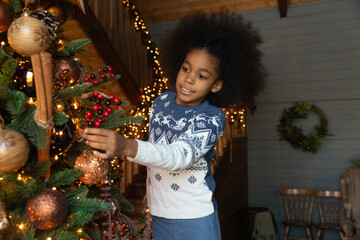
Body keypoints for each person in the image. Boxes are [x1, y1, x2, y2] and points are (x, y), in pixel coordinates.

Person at [84, 10, 266, 240]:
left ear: (217, 85)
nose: (189, 78)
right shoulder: (161, 102)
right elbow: (156, 155)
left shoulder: (212, 118)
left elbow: (179, 156)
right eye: (186, 68)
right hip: (159, 216)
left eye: (202, 76)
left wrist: (127, 146)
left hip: (195, 220)